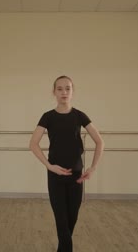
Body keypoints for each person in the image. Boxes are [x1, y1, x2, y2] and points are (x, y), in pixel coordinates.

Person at [29, 75, 104, 252]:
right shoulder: (47, 117)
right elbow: (33, 144)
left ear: (73, 92)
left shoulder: (79, 116)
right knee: (61, 222)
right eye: (60, 89)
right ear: (54, 92)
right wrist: (49, 166)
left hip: (76, 178)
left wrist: (92, 168)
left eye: (68, 88)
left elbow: (100, 141)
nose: (64, 92)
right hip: (55, 177)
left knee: (71, 220)